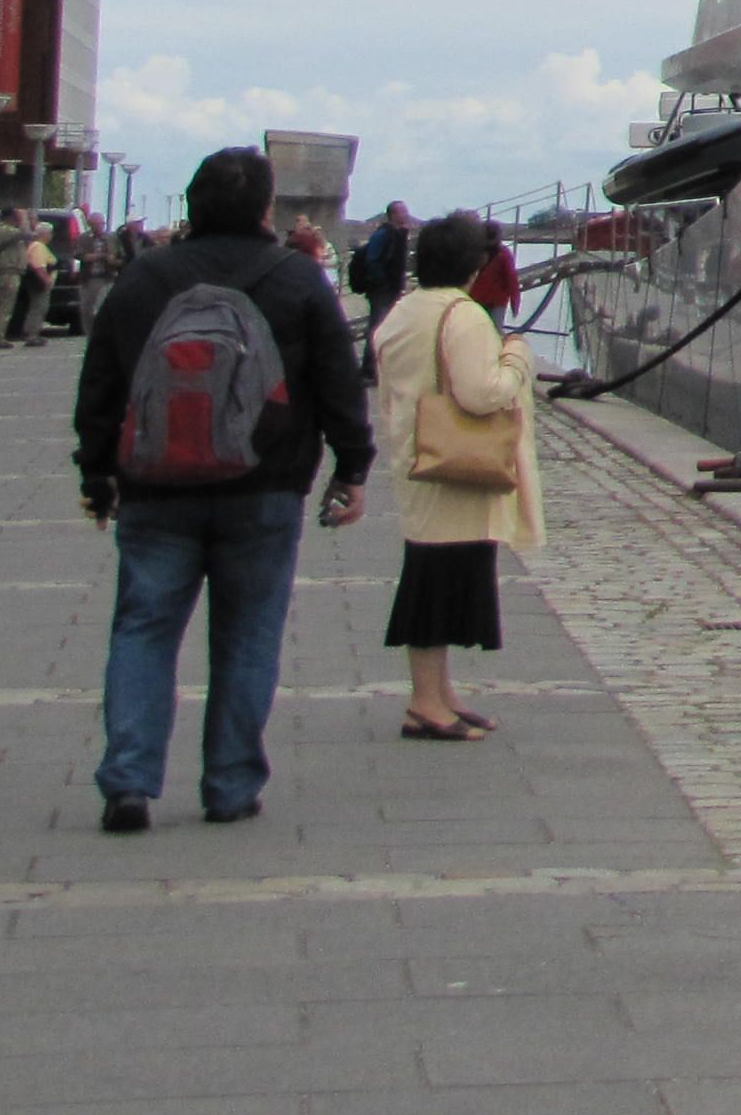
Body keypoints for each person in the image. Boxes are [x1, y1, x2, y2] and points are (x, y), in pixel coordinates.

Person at [70, 146, 372, 833]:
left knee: (144, 628)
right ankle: (231, 785)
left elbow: (102, 380)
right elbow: (338, 382)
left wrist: (96, 470)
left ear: (192, 203)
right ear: (266, 208)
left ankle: (129, 781)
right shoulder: (297, 279)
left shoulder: (145, 278)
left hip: (155, 487)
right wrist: (351, 468)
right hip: (265, 486)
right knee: (248, 635)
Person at [372, 210, 540, 742]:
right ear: (474, 265)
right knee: (436, 582)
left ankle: (439, 692)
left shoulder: (404, 310)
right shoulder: (463, 316)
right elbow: (480, 392)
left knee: (433, 572)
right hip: (454, 465)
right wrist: (516, 359)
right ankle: (425, 702)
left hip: (417, 455)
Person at [0, 212, 57, 348]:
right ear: (44, 234)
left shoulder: (36, 245)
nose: (51, 236)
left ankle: (32, 334)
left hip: (35, 282)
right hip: (38, 283)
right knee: (38, 307)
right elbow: (39, 266)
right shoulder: (38, 246)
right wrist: (47, 280)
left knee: (38, 307)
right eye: (50, 233)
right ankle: (32, 335)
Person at [348, 201, 413, 328]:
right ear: (393, 215)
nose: (406, 214)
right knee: (378, 324)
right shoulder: (383, 234)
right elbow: (373, 260)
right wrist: (382, 282)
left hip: (393, 287)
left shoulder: (400, 234)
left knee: (388, 323)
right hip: (381, 289)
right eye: (403, 211)